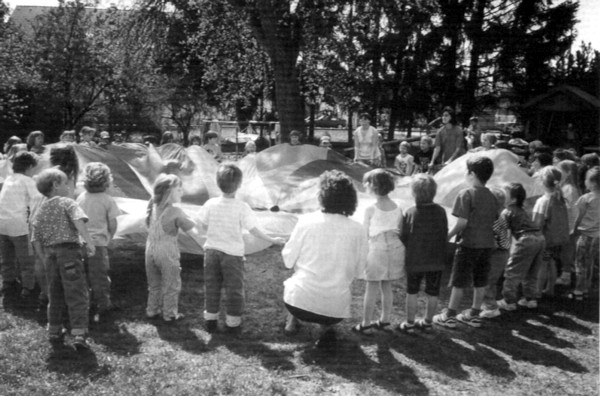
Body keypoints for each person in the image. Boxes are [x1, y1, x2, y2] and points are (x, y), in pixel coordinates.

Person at [282, 170, 368, 350]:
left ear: (322, 195)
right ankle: (325, 327)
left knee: (297, 278)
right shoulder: (358, 229)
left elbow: (288, 260)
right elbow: (361, 271)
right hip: (335, 310)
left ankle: (292, 321)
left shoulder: (306, 221)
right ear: (350, 198)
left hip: (297, 303)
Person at [197, 164, 284, 333]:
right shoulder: (241, 207)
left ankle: (211, 319)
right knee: (234, 289)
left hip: (211, 252)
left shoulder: (210, 204)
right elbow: (254, 229)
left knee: (212, 286)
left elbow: (200, 225)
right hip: (232, 255)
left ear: (217, 183)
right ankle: (232, 323)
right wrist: (272, 239)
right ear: (238, 185)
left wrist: (213, 233)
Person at [31, 168, 96, 350]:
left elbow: (35, 238)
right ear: (55, 185)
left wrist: (44, 258)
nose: (69, 186)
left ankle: (54, 329)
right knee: (76, 293)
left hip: (51, 255)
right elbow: (78, 221)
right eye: (66, 183)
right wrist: (89, 242)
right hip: (69, 253)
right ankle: (78, 333)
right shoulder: (68, 203)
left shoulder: (41, 209)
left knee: (55, 294)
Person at [433, 156, 497, 328]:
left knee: (459, 281)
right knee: (480, 280)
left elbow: (462, 222)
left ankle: (450, 315)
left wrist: (448, 236)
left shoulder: (466, 194)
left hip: (469, 244)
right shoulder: (492, 196)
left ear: (472, 174)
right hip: (487, 244)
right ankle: (474, 314)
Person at [352, 169, 405, 334]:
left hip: (377, 248)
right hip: (396, 247)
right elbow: (401, 230)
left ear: (373, 186)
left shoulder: (370, 209)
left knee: (372, 287)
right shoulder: (398, 206)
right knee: (387, 284)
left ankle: (366, 323)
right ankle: (385, 319)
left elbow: (365, 233)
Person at [145, 174, 198, 323]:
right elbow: (190, 227)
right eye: (179, 189)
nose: (182, 192)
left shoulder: (152, 204)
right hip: (166, 252)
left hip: (149, 250)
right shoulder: (175, 211)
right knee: (171, 284)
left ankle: (151, 310)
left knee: (154, 284)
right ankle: (169, 314)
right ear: (169, 191)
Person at [399, 174, 448, 332]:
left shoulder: (410, 212)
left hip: (416, 260)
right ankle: (428, 322)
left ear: (414, 193)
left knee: (412, 291)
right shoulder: (441, 211)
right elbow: (444, 232)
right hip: (436, 259)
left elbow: (403, 236)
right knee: (433, 292)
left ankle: (410, 323)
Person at [76, 163, 120, 322]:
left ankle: (86, 301)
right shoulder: (107, 200)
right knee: (99, 275)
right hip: (99, 244)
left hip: (81, 242)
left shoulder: (81, 197)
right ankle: (103, 303)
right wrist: (110, 236)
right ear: (107, 181)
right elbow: (113, 223)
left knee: (83, 274)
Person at [496, 183, 546, 311]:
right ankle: (530, 299)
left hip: (526, 239)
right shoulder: (523, 211)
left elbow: (503, 232)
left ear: (513, 199)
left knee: (512, 272)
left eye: (504, 194)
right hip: (540, 238)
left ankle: (509, 301)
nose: (502, 195)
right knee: (532, 271)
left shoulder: (507, 211)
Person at [0, 152, 41, 297]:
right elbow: (37, 200)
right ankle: (28, 286)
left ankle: (8, 282)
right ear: (29, 167)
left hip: (2, 224)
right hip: (19, 226)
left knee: (7, 257)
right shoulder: (27, 181)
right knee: (26, 259)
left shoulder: (9, 179)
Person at [532, 166, 569, 300]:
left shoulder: (543, 201)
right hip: (558, 239)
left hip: (546, 240)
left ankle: (537, 290)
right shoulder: (560, 199)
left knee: (543, 263)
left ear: (542, 182)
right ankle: (550, 288)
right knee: (552, 262)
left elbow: (538, 222)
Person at [479, 188, 511, 318]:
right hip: (502, 253)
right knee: (492, 280)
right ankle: (489, 303)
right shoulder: (501, 216)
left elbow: (493, 243)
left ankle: (491, 307)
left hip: (497, 254)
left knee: (488, 280)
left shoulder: (493, 220)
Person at [569, 166, 600, 301]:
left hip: (585, 235)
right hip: (598, 236)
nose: (584, 181)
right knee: (591, 262)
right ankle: (586, 288)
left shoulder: (585, 198)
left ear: (592, 183)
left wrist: (573, 230)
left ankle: (578, 291)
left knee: (580, 263)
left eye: (586, 179)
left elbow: (578, 216)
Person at [555, 160, 581, 287]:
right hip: (565, 225)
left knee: (566, 252)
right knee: (565, 251)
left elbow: (572, 209)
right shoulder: (565, 187)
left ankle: (566, 277)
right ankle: (567, 273)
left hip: (568, 226)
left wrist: (572, 228)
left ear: (568, 172)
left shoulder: (569, 189)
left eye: (560, 170)